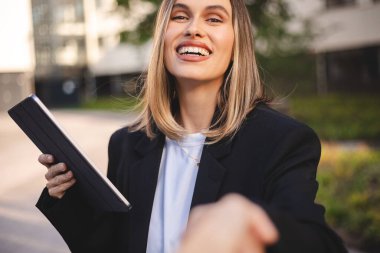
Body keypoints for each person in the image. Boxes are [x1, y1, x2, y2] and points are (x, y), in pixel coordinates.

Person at [36, 0, 348, 252]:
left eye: (214, 18)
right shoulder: (126, 144)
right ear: (163, 37)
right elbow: (111, 244)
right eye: (180, 15)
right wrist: (67, 196)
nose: (193, 29)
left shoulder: (282, 141)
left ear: (238, 42)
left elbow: (320, 242)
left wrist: (255, 223)